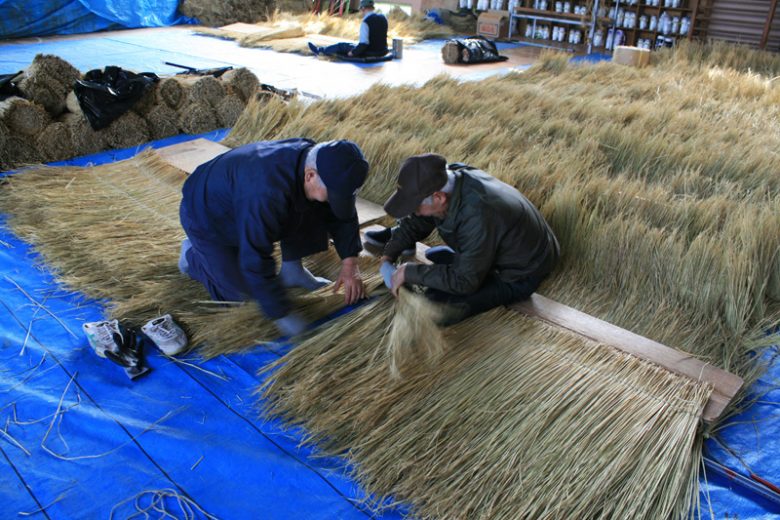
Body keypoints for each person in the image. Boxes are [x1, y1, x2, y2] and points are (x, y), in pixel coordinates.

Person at [179, 139, 369, 337]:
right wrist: (281, 314)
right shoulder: (266, 192)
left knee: (316, 205)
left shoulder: (320, 161)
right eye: (333, 193)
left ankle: (293, 271)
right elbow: (254, 255)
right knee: (241, 298)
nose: (335, 199)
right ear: (310, 175)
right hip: (206, 216)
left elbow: (342, 215)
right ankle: (192, 256)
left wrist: (350, 265)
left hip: (245, 201)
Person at [377, 153, 559, 325]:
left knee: (435, 309)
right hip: (495, 245)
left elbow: (465, 282)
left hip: (522, 273)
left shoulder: (478, 214)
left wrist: (408, 271)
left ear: (438, 198)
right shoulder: (448, 179)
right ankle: (464, 262)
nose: (414, 211)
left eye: (415, 207)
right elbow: (416, 222)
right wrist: (388, 255)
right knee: (442, 276)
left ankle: (470, 267)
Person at [308, 0, 388, 59]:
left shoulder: (365, 22)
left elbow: (364, 44)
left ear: (363, 8)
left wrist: (353, 53)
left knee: (342, 45)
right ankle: (322, 50)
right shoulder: (383, 17)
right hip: (382, 51)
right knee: (351, 45)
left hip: (371, 53)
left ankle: (320, 51)